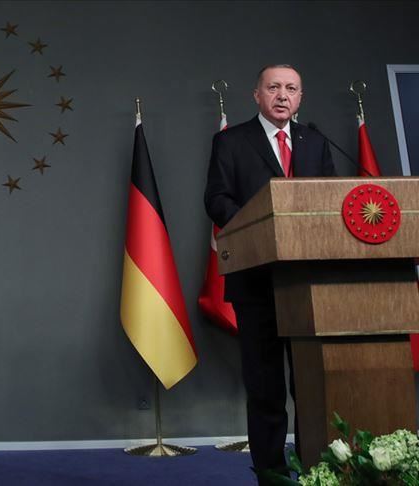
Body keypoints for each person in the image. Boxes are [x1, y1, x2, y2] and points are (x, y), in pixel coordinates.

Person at [204, 65, 335, 482]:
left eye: (291, 89)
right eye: (274, 87)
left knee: (312, 388)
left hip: (309, 285)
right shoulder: (231, 141)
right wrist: (259, 226)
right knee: (266, 391)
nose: (282, 95)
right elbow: (216, 198)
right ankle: (272, 477)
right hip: (256, 282)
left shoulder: (316, 141)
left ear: (300, 98)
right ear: (256, 95)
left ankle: (317, 472)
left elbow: (331, 199)